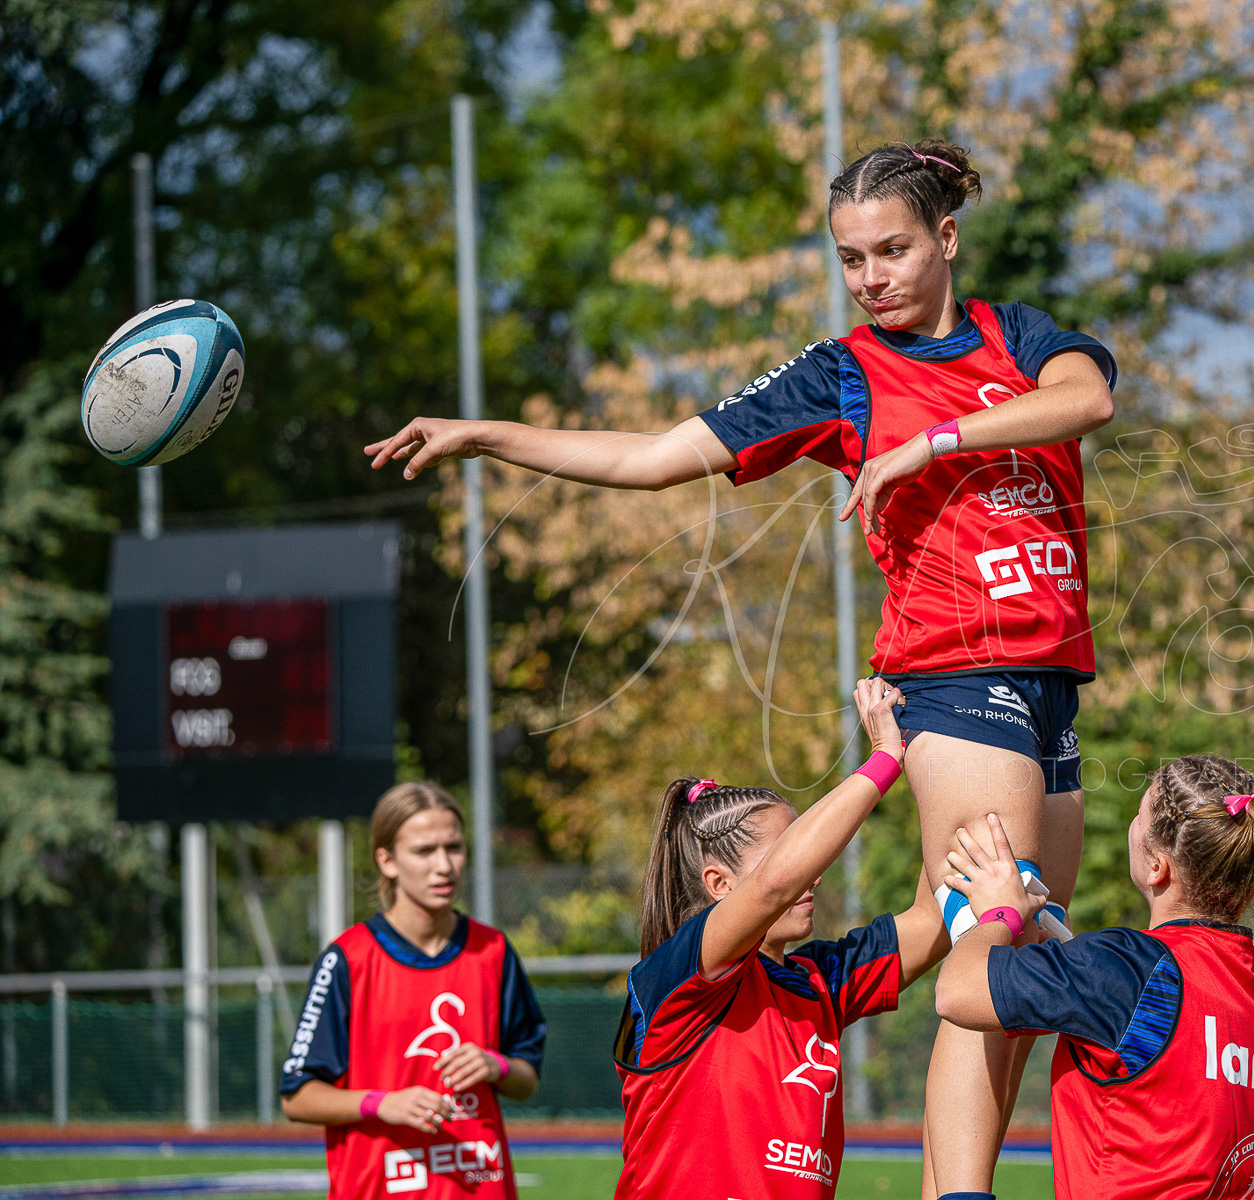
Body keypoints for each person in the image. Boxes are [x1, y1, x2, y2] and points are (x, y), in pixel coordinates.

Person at [366, 137, 1117, 1196]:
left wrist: (929, 444)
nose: (872, 279)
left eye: (893, 251)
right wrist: (490, 436)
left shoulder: (1022, 337)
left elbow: (1088, 403)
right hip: (953, 674)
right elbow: (649, 459)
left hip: (1053, 684)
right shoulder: (842, 373)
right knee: (981, 949)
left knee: (1024, 950)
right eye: (851, 259)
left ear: (948, 239)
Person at [932, 754, 1254, 1200]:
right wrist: (1060, 960)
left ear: (1157, 866)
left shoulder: (1128, 969)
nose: (1131, 823)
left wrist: (999, 913)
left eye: (1138, 816)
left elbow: (958, 992)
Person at [613, 678, 947, 1199]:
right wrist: (884, 758)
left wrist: (947, 732)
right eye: (793, 855)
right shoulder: (678, 976)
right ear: (719, 886)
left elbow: (932, 921)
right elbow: (774, 886)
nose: (811, 874)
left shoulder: (820, 983)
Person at [281, 782, 546, 1200]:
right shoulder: (348, 960)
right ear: (387, 860)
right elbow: (297, 1096)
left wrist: (496, 1065)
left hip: (481, 1187)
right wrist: (380, 1103)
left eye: (454, 847)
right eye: (424, 851)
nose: (444, 865)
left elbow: (526, 1079)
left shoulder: (492, 951)